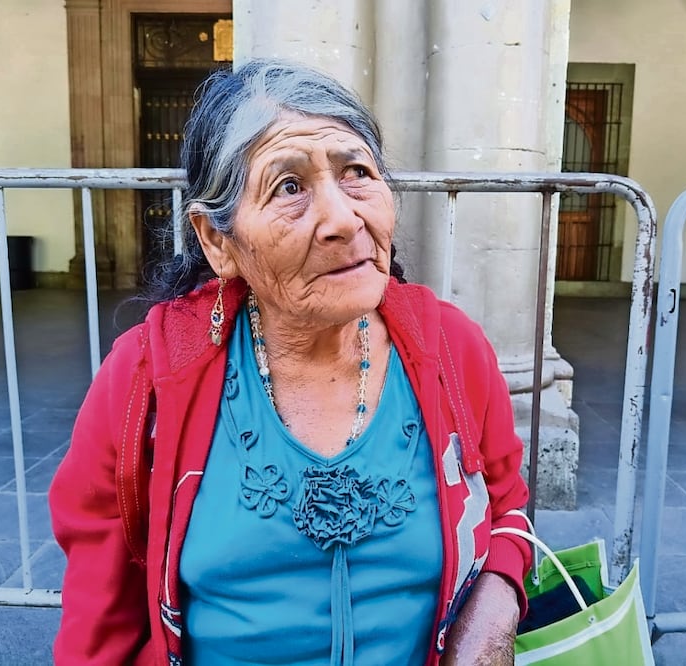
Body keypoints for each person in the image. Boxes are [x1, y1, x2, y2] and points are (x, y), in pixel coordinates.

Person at [49, 59, 532, 666]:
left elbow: (506, 506)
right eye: (289, 187)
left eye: (357, 173)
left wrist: (497, 605)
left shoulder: (451, 350)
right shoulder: (146, 378)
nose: (343, 220)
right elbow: (97, 631)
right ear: (218, 241)